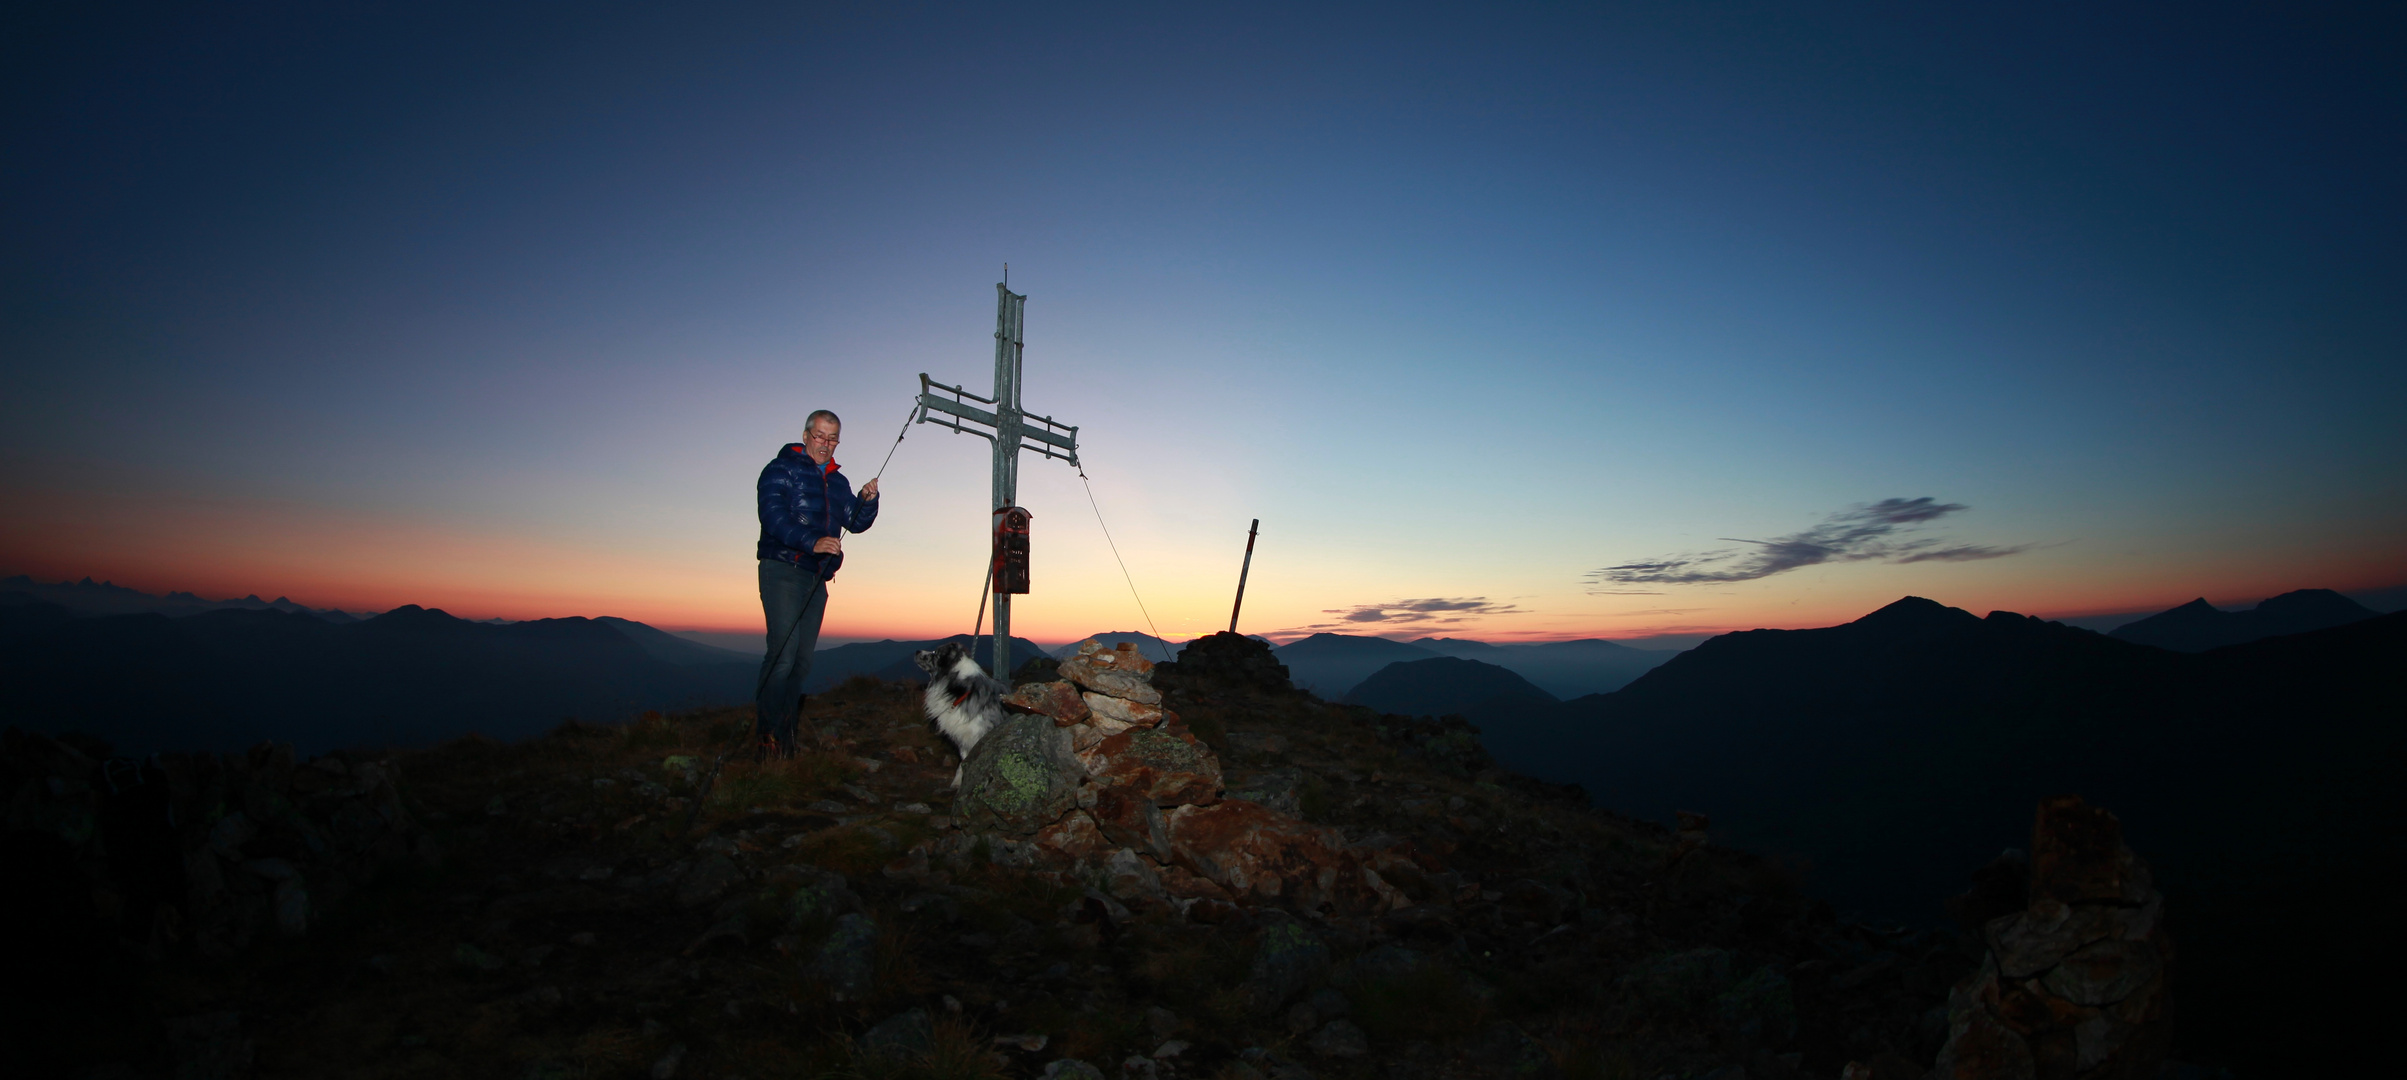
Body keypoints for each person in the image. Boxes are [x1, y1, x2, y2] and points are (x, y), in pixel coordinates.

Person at [755, 409, 879, 757]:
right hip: (781, 568)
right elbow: (773, 516)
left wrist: (868, 503)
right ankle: (767, 739)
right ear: (807, 434)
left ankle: (786, 737)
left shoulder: (837, 482)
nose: (826, 444)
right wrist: (812, 542)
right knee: (782, 655)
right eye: (821, 436)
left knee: (801, 661)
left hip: (815, 576)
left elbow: (854, 523)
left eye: (833, 438)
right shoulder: (780, 469)